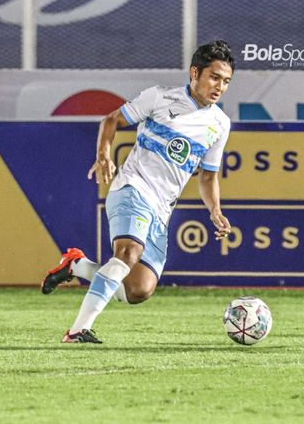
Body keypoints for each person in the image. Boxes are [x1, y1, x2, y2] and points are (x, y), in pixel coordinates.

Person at [41, 40, 234, 343]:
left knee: (138, 290)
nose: (220, 86)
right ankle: (78, 330)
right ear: (194, 72)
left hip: (161, 210)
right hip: (132, 187)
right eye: (214, 77)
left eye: (226, 81)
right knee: (127, 253)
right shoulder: (159, 98)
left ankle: (76, 265)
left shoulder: (220, 124)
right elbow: (112, 120)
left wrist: (215, 210)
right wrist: (104, 154)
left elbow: (208, 176)